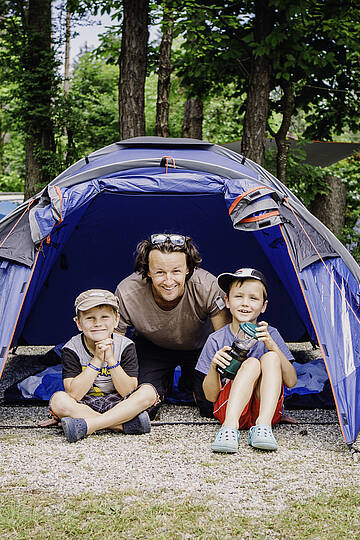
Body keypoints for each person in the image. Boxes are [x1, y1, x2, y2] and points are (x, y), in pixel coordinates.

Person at [114, 233, 230, 418]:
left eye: (176, 271)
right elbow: (114, 344)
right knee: (143, 406)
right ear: (147, 271)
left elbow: (225, 338)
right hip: (153, 347)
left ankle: (188, 382)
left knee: (212, 406)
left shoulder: (207, 285)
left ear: (188, 269)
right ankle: (164, 381)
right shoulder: (128, 292)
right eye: (160, 272)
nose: (168, 281)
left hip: (200, 347)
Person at [195, 268, 297, 452]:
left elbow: (291, 381)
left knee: (271, 357)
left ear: (263, 306)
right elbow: (210, 397)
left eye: (253, 298)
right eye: (238, 296)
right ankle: (229, 429)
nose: (245, 303)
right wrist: (213, 367)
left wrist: (272, 345)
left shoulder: (271, 334)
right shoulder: (216, 339)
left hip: (264, 411)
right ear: (227, 301)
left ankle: (263, 427)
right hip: (229, 411)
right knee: (251, 363)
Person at [49, 289, 159, 443]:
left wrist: (111, 359)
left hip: (119, 402)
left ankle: (89, 425)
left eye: (105, 317)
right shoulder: (71, 348)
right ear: (79, 323)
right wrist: (97, 359)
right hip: (85, 403)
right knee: (58, 400)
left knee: (148, 392)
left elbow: (128, 390)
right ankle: (122, 425)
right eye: (90, 318)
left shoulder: (126, 345)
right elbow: (74, 394)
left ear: (116, 321)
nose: (98, 323)